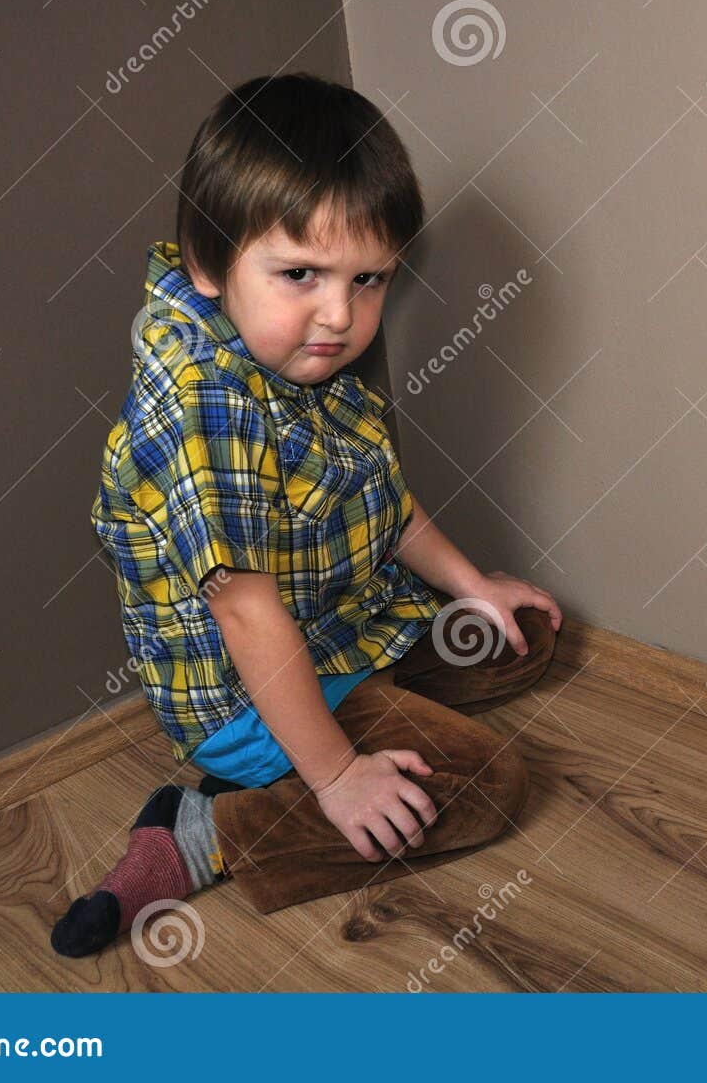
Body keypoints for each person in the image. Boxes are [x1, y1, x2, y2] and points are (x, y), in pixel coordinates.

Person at [52, 72, 561, 958]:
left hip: (336, 623)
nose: (340, 314)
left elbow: (385, 506)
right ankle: (206, 828)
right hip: (251, 688)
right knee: (486, 783)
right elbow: (243, 607)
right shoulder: (202, 401)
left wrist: (474, 584)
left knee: (521, 633)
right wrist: (337, 776)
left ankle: (379, 710)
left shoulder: (297, 356)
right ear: (209, 265)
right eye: (302, 275)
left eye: (368, 280)